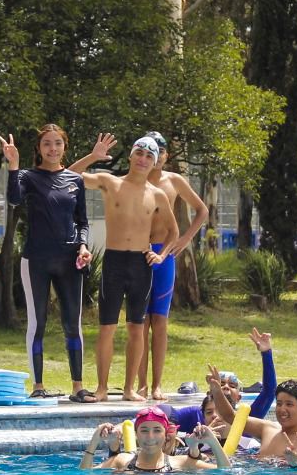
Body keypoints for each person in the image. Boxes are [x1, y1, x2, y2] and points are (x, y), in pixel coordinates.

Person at [73, 132, 208, 402]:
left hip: (141, 264)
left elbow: (172, 231)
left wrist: (163, 255)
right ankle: (101, 388)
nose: (144, 159)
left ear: (156, 160)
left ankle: (128, 389)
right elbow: (67, 176)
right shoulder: (110, 182)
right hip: (114, 261)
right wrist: (94, 156)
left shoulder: (158, 195)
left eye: (150, 155)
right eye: (139, 153)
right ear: (131, 155)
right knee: (107, 327)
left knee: (138, 327)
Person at [1, 125, 91, 399]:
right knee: (37, 323)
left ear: (65, 146)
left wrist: (83, 246)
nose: (53, 149)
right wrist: (14, 166)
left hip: (69, 261)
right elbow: (14, 199)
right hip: (36, 260)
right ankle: (38, 387)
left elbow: (82, 221)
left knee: (71, 323)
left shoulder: (75, 180)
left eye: (58, 144)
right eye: (47, 144)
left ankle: (78, 386)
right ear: (39, 149)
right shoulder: (29, 176)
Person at [208, 375, 297, 466]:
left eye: (289, 404)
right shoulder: (267, 429)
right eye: (279, 404)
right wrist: (217, 390)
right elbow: (230, 417)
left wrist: (296, 463)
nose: (282, 409)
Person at [78, 409, 227, 472]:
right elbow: (85, 474)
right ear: (136, 434)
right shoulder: (121, 460)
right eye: (144, 431)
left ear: (165, 434)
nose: (150, 437)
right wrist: (95, 440)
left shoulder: (180, 462)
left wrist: (212, 442)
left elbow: (225, 471)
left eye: (157, 430)